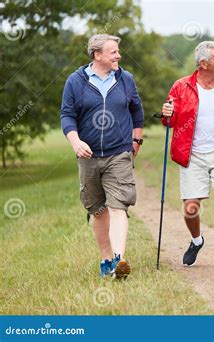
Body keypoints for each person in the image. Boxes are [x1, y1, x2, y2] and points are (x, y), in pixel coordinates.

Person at [60, 34, 144, 278]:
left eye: (118, 51)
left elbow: (137, 113)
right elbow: (67, 115)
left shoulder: (125, 79)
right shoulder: (76, 82)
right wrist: (75, 142)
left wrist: (136, 140)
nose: (119, 56)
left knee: (119, 206)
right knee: (97, 210)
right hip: (89, 156)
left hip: (119, 153)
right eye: (113, 52)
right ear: (97, 55)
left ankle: (119, 259)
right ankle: (106, 260)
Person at [161, 41, 214, 272]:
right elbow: (170, 120)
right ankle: (197, 240)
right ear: (204, 63)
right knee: (191, 208)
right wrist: (167, 114)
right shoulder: (181, 86)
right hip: (192, 153)